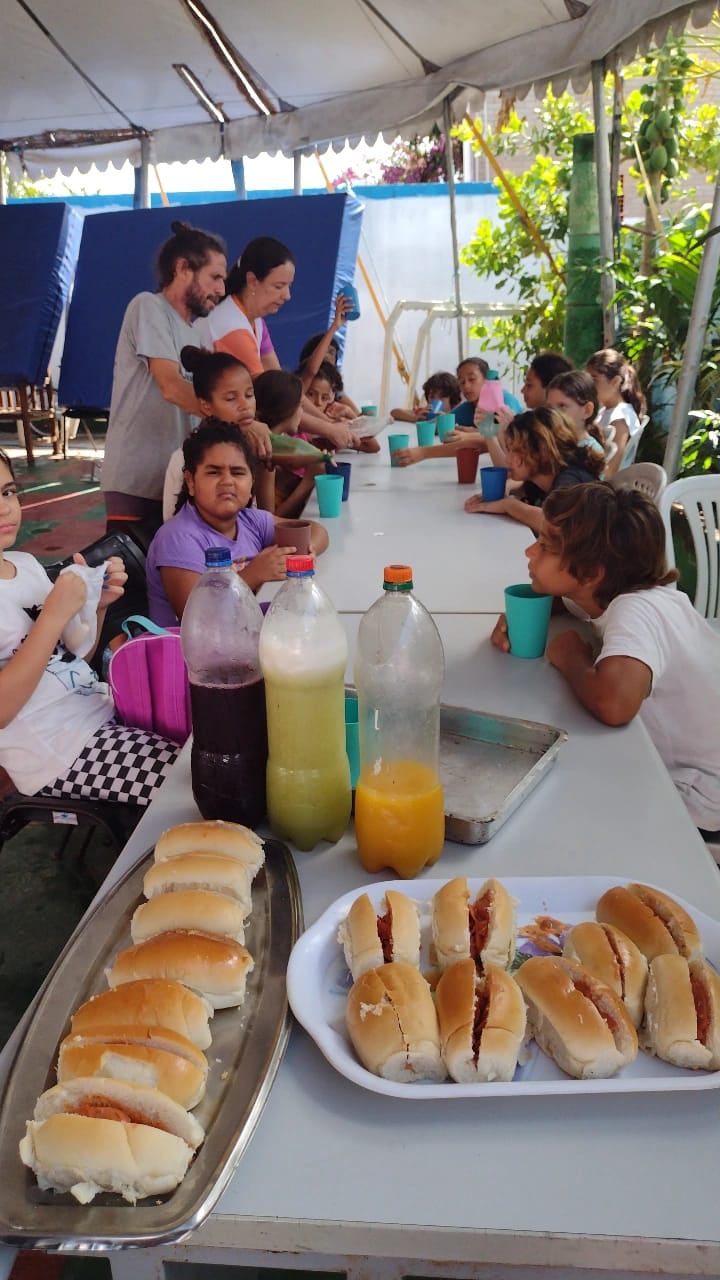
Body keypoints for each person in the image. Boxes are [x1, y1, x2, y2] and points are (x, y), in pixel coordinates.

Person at [491, 483, 720, 836]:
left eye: (546, 546)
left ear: (591, 573)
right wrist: (528, 613)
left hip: (699, 799)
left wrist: (572, 659)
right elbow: (569, 601)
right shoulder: (629, 593)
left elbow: (614, 704)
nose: (529, 551)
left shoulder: (635, 611)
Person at [0, 449, 178, 805]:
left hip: (100, 707)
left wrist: (95, 608)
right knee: (192, 781)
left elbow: (73, 660)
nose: (5, 508)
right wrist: (52, 616)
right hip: (56, 752)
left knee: (211, 738)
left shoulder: (26, 565)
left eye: (7, 492)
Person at [102, 221, 233, 545]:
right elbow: (171, 386)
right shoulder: (148, 306)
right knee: (130, 571)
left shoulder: (196, 335)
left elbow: (198, 406)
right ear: (183, 268)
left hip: (174, 480)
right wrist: (235, 418)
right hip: (135, 479)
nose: (221, 289)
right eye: (215, 277)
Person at [147, 420, 328, 626]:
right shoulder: (178, 538)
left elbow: (318, 531)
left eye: (238, 472)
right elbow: (196, 618)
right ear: (190, 481)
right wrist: (253, 574)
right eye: (214, 472)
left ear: (252, 482)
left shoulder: (250, 520)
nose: (227, 481)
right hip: (190, 644)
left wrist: (307, 551)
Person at [197, 237, 361, 452]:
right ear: (253, 281)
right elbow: (275, 398)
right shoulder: (232, 326)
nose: (287, 296)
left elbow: (286, 388)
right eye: (279, 286)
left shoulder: (255, 321)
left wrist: (329, 423)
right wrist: (329, 429)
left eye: (289, 286)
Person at [162, 347, 275, 521]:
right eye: (231, 398)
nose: (244, 405)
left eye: (249, 395)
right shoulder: (183, 459)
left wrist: (266, 470)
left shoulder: (253, 447)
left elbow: (265, 522)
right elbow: (172, 527)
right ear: (206, 406)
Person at [464, 406, 603, 533]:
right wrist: (503, 490)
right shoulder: (545, 478)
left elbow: (558, 527)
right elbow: (523, 486)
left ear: (541, 451)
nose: (507, 460)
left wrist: (508, 505)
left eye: (514, 450)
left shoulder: (570, 480)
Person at [253, 369, 329, 518]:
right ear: (286, 409)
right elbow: (268, 523)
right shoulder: (266, 452)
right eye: (300, 405)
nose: (302, 412)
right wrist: (308, 482)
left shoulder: (277, 444)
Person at [297, 295, 361, 418]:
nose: (319, 402)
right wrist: (335, 326)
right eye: (311, 394)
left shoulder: (335, 391)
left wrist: (349, 413)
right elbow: (311, 370)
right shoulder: (299, 384)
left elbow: (358, 419)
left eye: (331, 352)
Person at [585, 348, 645, 476]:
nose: (589, 386)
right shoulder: (603, 411)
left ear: (616, 382)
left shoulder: (620, 418)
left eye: (594, 380)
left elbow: (611, 470)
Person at [545, 370, 607, 463]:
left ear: (587, 410)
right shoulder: (556, 445)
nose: (553, 413)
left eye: (562, 406)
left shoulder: (590, 454)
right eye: (549, 408)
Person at [453, 358, 523, 428]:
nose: (466, 386)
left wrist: (467, 433)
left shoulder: (504, 401)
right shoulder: (467, 407)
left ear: (487, 379)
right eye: (462, 382)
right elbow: (449, 422)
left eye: (472, 379)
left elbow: (505, 432)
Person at [390, 370, 461, 423]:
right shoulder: (425, 412)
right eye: (432, 397)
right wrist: (415, 418)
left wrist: (446, 419)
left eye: (442, 397)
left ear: (452, 399)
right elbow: (394, 412)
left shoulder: (458, 413)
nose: (435, 400)